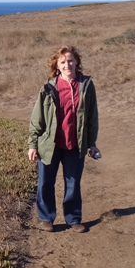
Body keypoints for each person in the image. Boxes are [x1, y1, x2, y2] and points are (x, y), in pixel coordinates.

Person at [27, 45, 100, 233]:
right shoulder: (48, 88)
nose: (67, 64)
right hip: (49, 145)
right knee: (45, 182)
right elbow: (38, 118)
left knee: (73, 183)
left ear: (76, 62)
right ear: (57, 66)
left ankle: (73, 219)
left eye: (70, 60)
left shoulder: (86, 85)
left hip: (75, 144)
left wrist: (91, 144)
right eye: (62, 62)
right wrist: (32, 145)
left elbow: (92, 117)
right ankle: (46, 218)